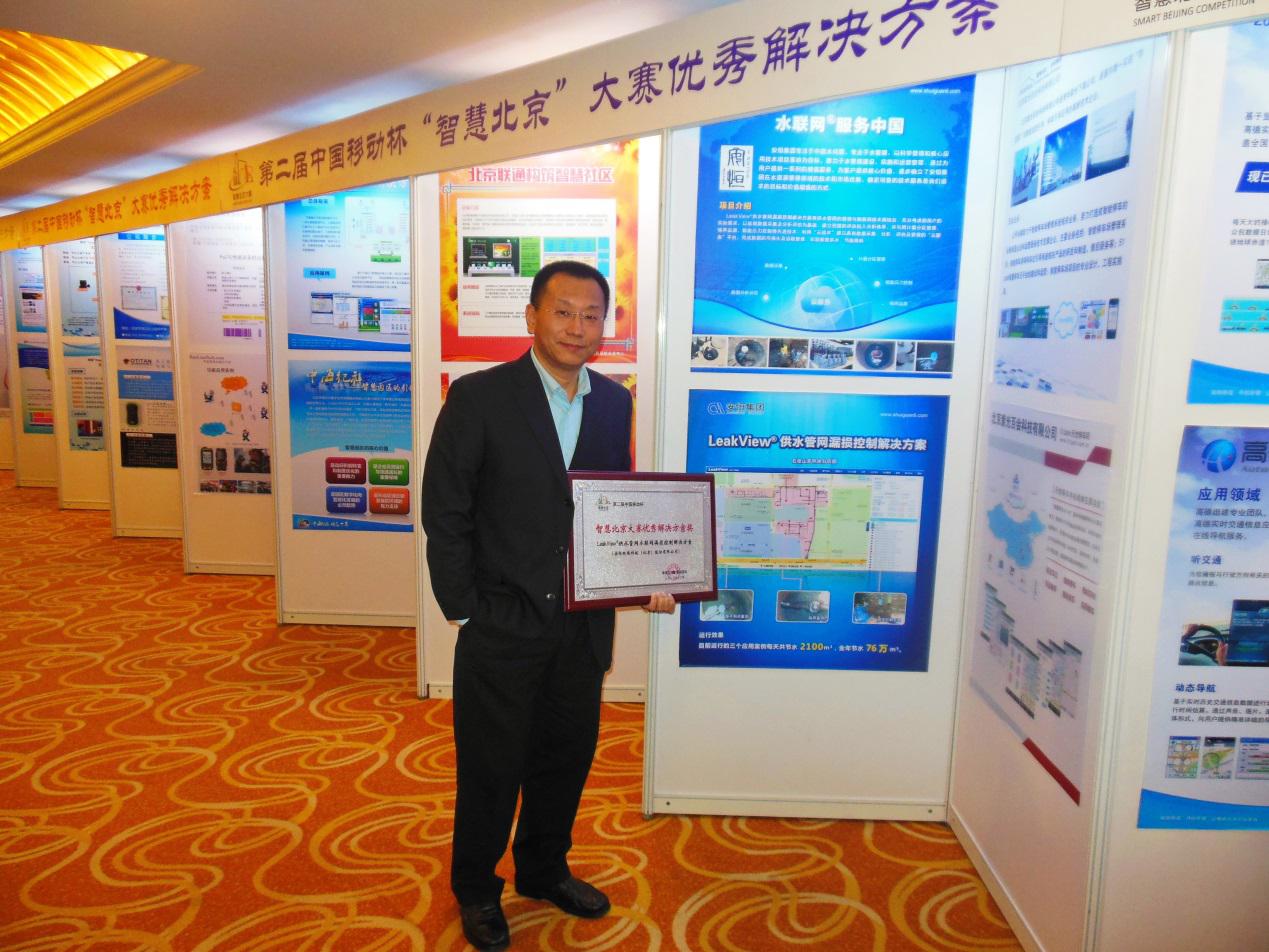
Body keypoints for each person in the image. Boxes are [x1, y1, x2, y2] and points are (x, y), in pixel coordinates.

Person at [422, 260, 673, 951]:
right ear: (531, 316)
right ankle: (477, 888)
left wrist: (649, 574)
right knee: (491, 767)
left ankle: (542, 868)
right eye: (563, 312)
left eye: (591, 315)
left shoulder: (613, 402)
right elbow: (446, 509)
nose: (577, 327)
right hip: (501, 620)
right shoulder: (479, 396)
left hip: (581, 625)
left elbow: (611, 511)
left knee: (565, 757)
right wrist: (464, 609)